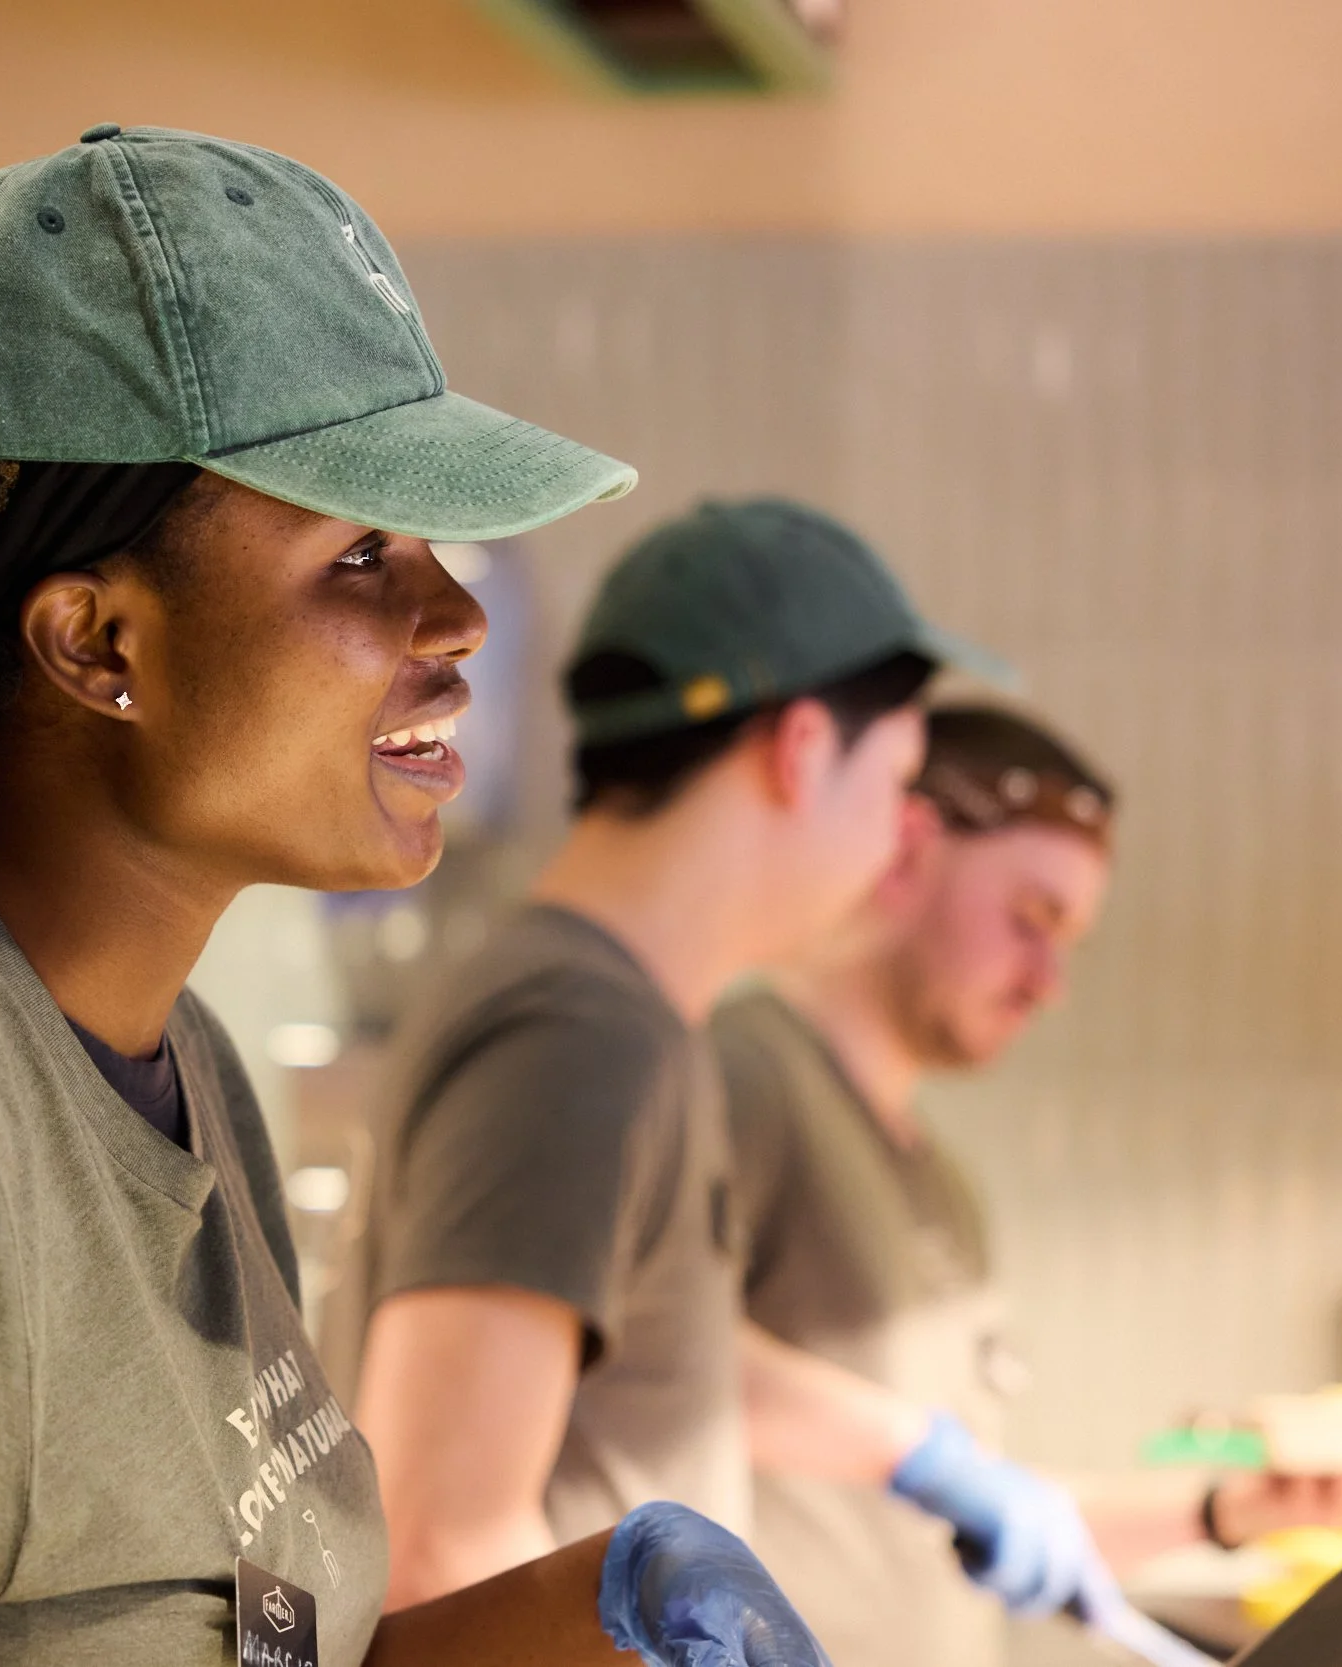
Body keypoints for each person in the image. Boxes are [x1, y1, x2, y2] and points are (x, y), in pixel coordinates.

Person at [0, 125, 825, 1667]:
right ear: (96, 642)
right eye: (363, 552)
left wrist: (580, 1616)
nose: (455, 615)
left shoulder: (182, 1064)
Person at [343, 499, 1124, 1618]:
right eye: (897, 784)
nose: (897, 838)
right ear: (801, 751)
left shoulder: (629, 1024)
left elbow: (645, 1360)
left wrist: (914, 1450)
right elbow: (442, 1544)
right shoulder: (578, 1032)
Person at [718, 703, 1342, 1667]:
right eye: (1030, 918)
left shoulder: (943, 1185)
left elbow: (990, 1516)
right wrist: (919, 1452)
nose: (1049, 980)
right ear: (907, 848)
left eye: (1068, 939)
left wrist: (1231, 1510)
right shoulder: (740, 1076)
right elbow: (653, 1360)